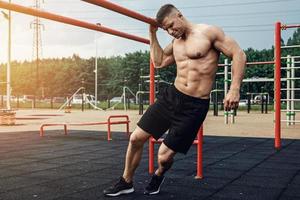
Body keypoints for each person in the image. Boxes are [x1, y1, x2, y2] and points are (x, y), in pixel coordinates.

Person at [103, 4, 246, 197]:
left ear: (179, 15)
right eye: (166, 30)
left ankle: (159, 174)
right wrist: (152, 34)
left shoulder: (209, 33)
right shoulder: (176, 42)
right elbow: (159, 62)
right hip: (171, 96)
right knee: (135, 138)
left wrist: (234, 88)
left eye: (171, 25)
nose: (171, 32)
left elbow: (238, 54)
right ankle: (126, 181)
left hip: (194, 106)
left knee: (163, 157)